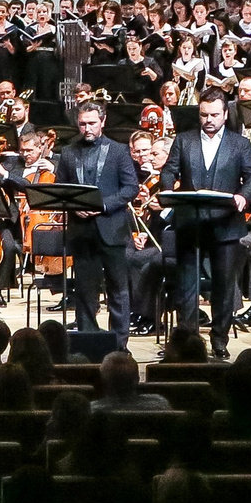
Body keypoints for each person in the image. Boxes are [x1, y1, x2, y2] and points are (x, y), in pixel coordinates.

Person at [157, 90, 251, 354]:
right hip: (190, 223)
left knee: (223, 287)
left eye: (214, 115)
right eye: (204, 114)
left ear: (225, 114)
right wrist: (168, 189)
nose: (209, 119)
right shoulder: (184, 140)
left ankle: (220, 341)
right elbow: (169, 170)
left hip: (225, 224)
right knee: (187, 287)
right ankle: (188, 343)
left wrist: (243, 196)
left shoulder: (240, 143)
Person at [55, 101, 141, 340]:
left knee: (118, 289)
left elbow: (130, 188)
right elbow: (61, 189)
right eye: (82, 124)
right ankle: (88, 339)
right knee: (84, 290)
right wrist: (74, 208)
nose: (87, 128)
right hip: (81, 231)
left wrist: (102, 206)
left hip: (111, 228)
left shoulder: (119, 150)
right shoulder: (69, 151)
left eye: (92, 123)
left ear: (103, 122)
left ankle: (119, 341)